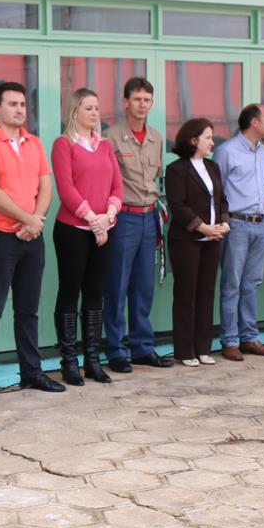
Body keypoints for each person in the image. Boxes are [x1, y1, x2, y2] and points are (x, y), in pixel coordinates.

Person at [0, 82, 63, 401]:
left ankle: (32, 372)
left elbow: (46, 187)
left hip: (30, 236)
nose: (20, 109)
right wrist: (28, 219)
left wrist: (35, 221)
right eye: (12, 104)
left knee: (28, 310)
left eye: (22, 104)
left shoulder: (34, 143)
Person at [50, 89, 122, 384]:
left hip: (104, 228)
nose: (95, 113)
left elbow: (118, 186)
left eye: (97, 108)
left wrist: (108, 215)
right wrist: (93, 219)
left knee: (95, 292)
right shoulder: (63, 144)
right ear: (75, 111)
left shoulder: (104, 146)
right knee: (70, 291)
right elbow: (66, 189)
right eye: (89, 108)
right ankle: (69, 361)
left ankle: (92, 359)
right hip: (73, 230)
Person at [103, 77, 172, 372]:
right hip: (123, 217)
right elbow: (105, 182)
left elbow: (157, 177)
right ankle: (116, 350)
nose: (142, 105)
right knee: (117, 286)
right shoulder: (110, 137)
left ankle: (143, 348)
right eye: (137, 99)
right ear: (125, 102)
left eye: (147, 100)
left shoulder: (156, 137)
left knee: (144, 287)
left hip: (148, 217)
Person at [164, 119, 229, 367]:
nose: (212, 142)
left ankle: (203, 348)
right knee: (186, 294)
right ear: (193, 140)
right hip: (186, 240)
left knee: (206, 292)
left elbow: (222, 199)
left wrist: (223, 222)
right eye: (208, 137)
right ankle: (184, 350)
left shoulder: (212, 166)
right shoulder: (177, 169)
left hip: (212, 239)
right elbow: (178, 205)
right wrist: (202, 227)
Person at [215, 104, 264, 360]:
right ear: (254, 122)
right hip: (236, 224)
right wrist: (222, 221)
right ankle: (229, 341)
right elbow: (216, 192)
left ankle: (249, 338)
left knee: (252, 283)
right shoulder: (226, 151)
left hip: (260, 223)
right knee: (232, 283)